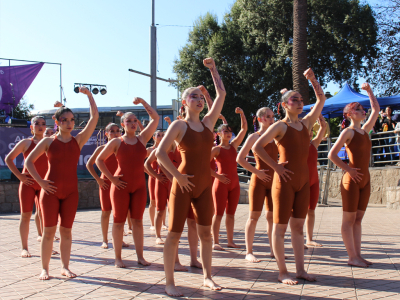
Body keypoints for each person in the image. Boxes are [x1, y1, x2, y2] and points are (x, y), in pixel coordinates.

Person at [156, 57, 226, 297]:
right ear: (185, 102)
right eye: (193, 96)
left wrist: (213, 70)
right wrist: (177, 176)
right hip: (183, 185)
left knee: (206, 234)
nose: (198, 99)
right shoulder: (179, 126)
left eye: (200, 96)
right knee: (174, 234)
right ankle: (170, 283)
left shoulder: (208, 123)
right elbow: (160, 153)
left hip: (205, 186)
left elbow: (221, 95)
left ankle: (207, 277)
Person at [253, 68, 326, 285]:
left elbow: (321, 99)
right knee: (280, 228)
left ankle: (301, 270)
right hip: (283, 183)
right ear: (285, 105)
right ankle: (282, 271)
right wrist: (276, 167)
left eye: (301, 99)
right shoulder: (279, 126)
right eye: (295, 99)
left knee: (297, 228)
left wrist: (313, 80)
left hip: (303, 183)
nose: (300, 102)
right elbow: (258, 147)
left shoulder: (306, 123)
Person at [25, 87, 99, 280]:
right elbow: (28, 162)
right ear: (57, 122)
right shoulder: (48, 141)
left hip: (71, 192)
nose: (69, 123)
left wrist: (90, 96)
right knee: (49, 232)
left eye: (72, 120)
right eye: (64, 120)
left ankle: (65, 267)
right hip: (50, 192)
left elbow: (94, 118)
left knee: (66, 231)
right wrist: (41, 182)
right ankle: (45, 269)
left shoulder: (78, 140)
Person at [96, 97, 159, 268]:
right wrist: (111, 178)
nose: (132, 123)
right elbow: (99, 161)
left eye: (134, 121)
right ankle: (118, 258)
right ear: (122, 124)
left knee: (138, 221)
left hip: (139, 186)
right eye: (128, 121)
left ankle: (140, 257)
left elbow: (156, 119)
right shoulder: (117, 142)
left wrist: (144, 103)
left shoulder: (142, 139)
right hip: (120, 187)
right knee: (118, 221)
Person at [328, 82, 379, 268]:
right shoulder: (347, 132)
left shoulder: (365, 131)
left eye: (362, 108)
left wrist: (369, 92)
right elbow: (331, 155)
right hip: (351, 181)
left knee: (358, 219)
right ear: (349, 115)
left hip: (365, 180)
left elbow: (376, 109)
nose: (362, 110)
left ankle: (358, 255)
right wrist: (348, 169)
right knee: (348, 220)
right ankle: (352, 256)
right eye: (358, 108)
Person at [236, 107, 277, 262]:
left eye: (273, 116)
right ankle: (249, 251)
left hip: (273, 181)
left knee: (272, 217)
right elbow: (239, 159)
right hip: (259, 181)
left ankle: (274, 250)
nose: (272, 119)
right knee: (254, 217)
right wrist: (257, 172)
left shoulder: (276, 136)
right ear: (260, 119)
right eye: (268, 116)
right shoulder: (254, 137)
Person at [5, 116, 48, 257]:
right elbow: (8, 159)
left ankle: (45, 246)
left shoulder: (50, 143)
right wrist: (20, 176)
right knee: (25, 216)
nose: (40, 126)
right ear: (31, 127)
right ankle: (24, 248)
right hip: (28, 184)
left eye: (43, 124)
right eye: (37, 124)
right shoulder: (25, 143)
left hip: (43, 183)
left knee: (44, 215)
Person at [86, 123, 131, 249]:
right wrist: (98, 180)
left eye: (118, 131)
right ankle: (105, 240)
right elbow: (89, 164)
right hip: (106, 184)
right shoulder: (101, 149)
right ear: (106, 134)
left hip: (120, 184)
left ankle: (119, 239)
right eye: (112, 131)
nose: (116, 133)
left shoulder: (123, 147)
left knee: (120, 213)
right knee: (106, 212)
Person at [210, 107, 247, 250]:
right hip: (220, 185)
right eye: (225, 131)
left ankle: (230, 241)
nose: (228, 133)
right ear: (219, 134)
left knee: (231, 215)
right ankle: (215, 242)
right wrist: (217, 176)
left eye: (230, 131)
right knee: (218, 214)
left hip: (235, 184)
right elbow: (203, 166)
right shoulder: (216, 149)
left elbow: (244, 129)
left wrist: (242, 114)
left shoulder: (234, 146)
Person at [305, 113, 327, 247]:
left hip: (314, 181)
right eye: (308, 131)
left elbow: (323, 128)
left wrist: (319, 115)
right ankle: (297, 237)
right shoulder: (297, 146)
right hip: (302, 181)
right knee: (297, 213)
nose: (311, 133)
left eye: (312, 131)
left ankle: (309, 238)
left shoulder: (313, 144)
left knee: (311, 210)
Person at [146, 130, 166, 231]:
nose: (161, 137)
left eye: (162, 135)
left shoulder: (166, 148)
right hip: (154, 177)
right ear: (153, 137)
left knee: (163, 202)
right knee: (153, 201)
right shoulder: (150, 150)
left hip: (163, 178)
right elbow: (142, 164)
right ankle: (152, 224)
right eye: (158, 135)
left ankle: (163, 223)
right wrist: (152, 174)